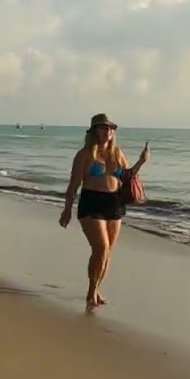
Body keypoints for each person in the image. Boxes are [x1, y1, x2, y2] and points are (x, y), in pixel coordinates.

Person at [59, 113, 151, 309]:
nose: (108, 131)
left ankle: (97, 289)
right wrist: (67, 210)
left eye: (110, 128)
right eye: (103, 128)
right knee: (101, 249)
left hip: (114, 203)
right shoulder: (84, 155)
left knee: (107, 253)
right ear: (94, 131)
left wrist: (142, 161)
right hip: (91, 203)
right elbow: (73, 185)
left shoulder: (116, 153)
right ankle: (91, 290)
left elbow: (127, 176)